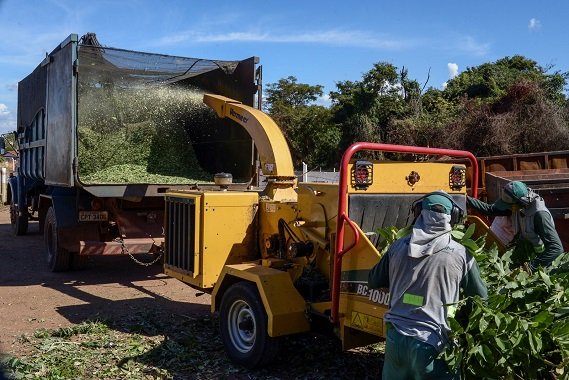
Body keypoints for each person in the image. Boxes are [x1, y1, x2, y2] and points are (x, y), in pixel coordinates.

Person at [368, 191, 487, 380]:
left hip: (396, 339)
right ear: (453, 217)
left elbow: (373, 280)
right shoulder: (461, 255)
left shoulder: (397, 247)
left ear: (418, 214)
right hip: (432, 344)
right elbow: (481, 298)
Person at [467, 180, 563, 272]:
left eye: (508, 206)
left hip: (542, 263)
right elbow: (490, 210)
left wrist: (530, 267)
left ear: (520, 203)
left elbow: (556, 248)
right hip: (526, 255)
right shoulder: (516, 206)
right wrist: (464, 199)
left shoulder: (540, 215)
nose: (507, 208)